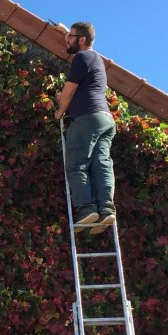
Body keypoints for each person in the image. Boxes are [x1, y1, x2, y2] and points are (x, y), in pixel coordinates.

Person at [54, 22, 116, 235]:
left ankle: (86, 210)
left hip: (87, 117)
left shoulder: (81, 58)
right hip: (105, 119)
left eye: (71, 37)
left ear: (81, 40)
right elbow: (74, 40)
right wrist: (65, 32)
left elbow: (69, 90)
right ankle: (106, 210)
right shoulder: (96, 59)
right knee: (101, 164)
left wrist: (60, 111)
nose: (67, 40)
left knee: (76, 165)